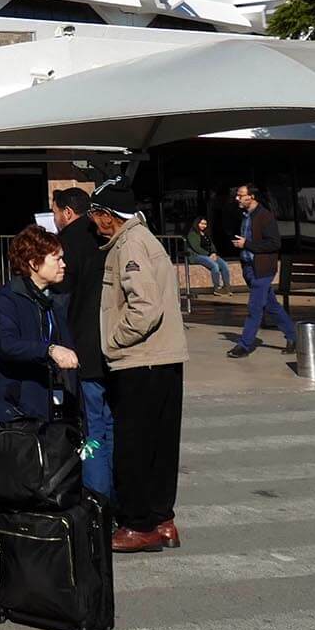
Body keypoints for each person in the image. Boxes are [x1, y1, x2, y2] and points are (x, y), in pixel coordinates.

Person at [0, 224, 78, 583]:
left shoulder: (53, 300)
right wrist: (49, 350)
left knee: (44, 483)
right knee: (23, 485)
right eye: (56, 258)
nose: (63, 264)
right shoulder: (7, 299)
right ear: (32, 261)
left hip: (52, 402)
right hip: (18, 404)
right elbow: (6, 344)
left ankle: (18, 549)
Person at [89, 179, 188, 554]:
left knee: (133, 446)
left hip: (140, 359)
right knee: (162, 446)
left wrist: (112, 340)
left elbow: (144, 307)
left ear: (108, 216)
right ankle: (162, 519)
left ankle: (136, 524)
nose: (94, 225)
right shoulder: (147, 238)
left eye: (96, 216)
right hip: (165, 357)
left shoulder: (129, 244)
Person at [51, 187, 113, 500]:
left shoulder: (68, 244)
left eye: (55, 212)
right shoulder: (106, 239)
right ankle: (111, 496)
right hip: (113, 347)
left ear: (67, 212)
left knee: (92, 427)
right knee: (108, 423)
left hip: (84, 347)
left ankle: (96, 498)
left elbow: (64, 301)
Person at [227, 183, 296, 358]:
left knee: (255, 307)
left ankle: (244, 345)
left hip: (263, 269)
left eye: (241, 195)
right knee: (271, 305)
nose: (237, 198)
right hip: (250, 267)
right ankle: (294, 337)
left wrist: (247, 244)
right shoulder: (245, 216)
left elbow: (275, 243)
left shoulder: (265, 217)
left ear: (252, 197)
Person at [185, 217, 232, 292]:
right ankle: (217, 288)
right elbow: (196, 247)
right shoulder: (192, 234)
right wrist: (209, 255)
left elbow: (211, 245)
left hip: (209, 255)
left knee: (224, 265)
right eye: (201, 224)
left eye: (205, 224)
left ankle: (227, 287)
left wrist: (213, 253)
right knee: (215, 265)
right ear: (197, 224)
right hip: (197, 255)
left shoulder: (205, 234)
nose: (204, 226)